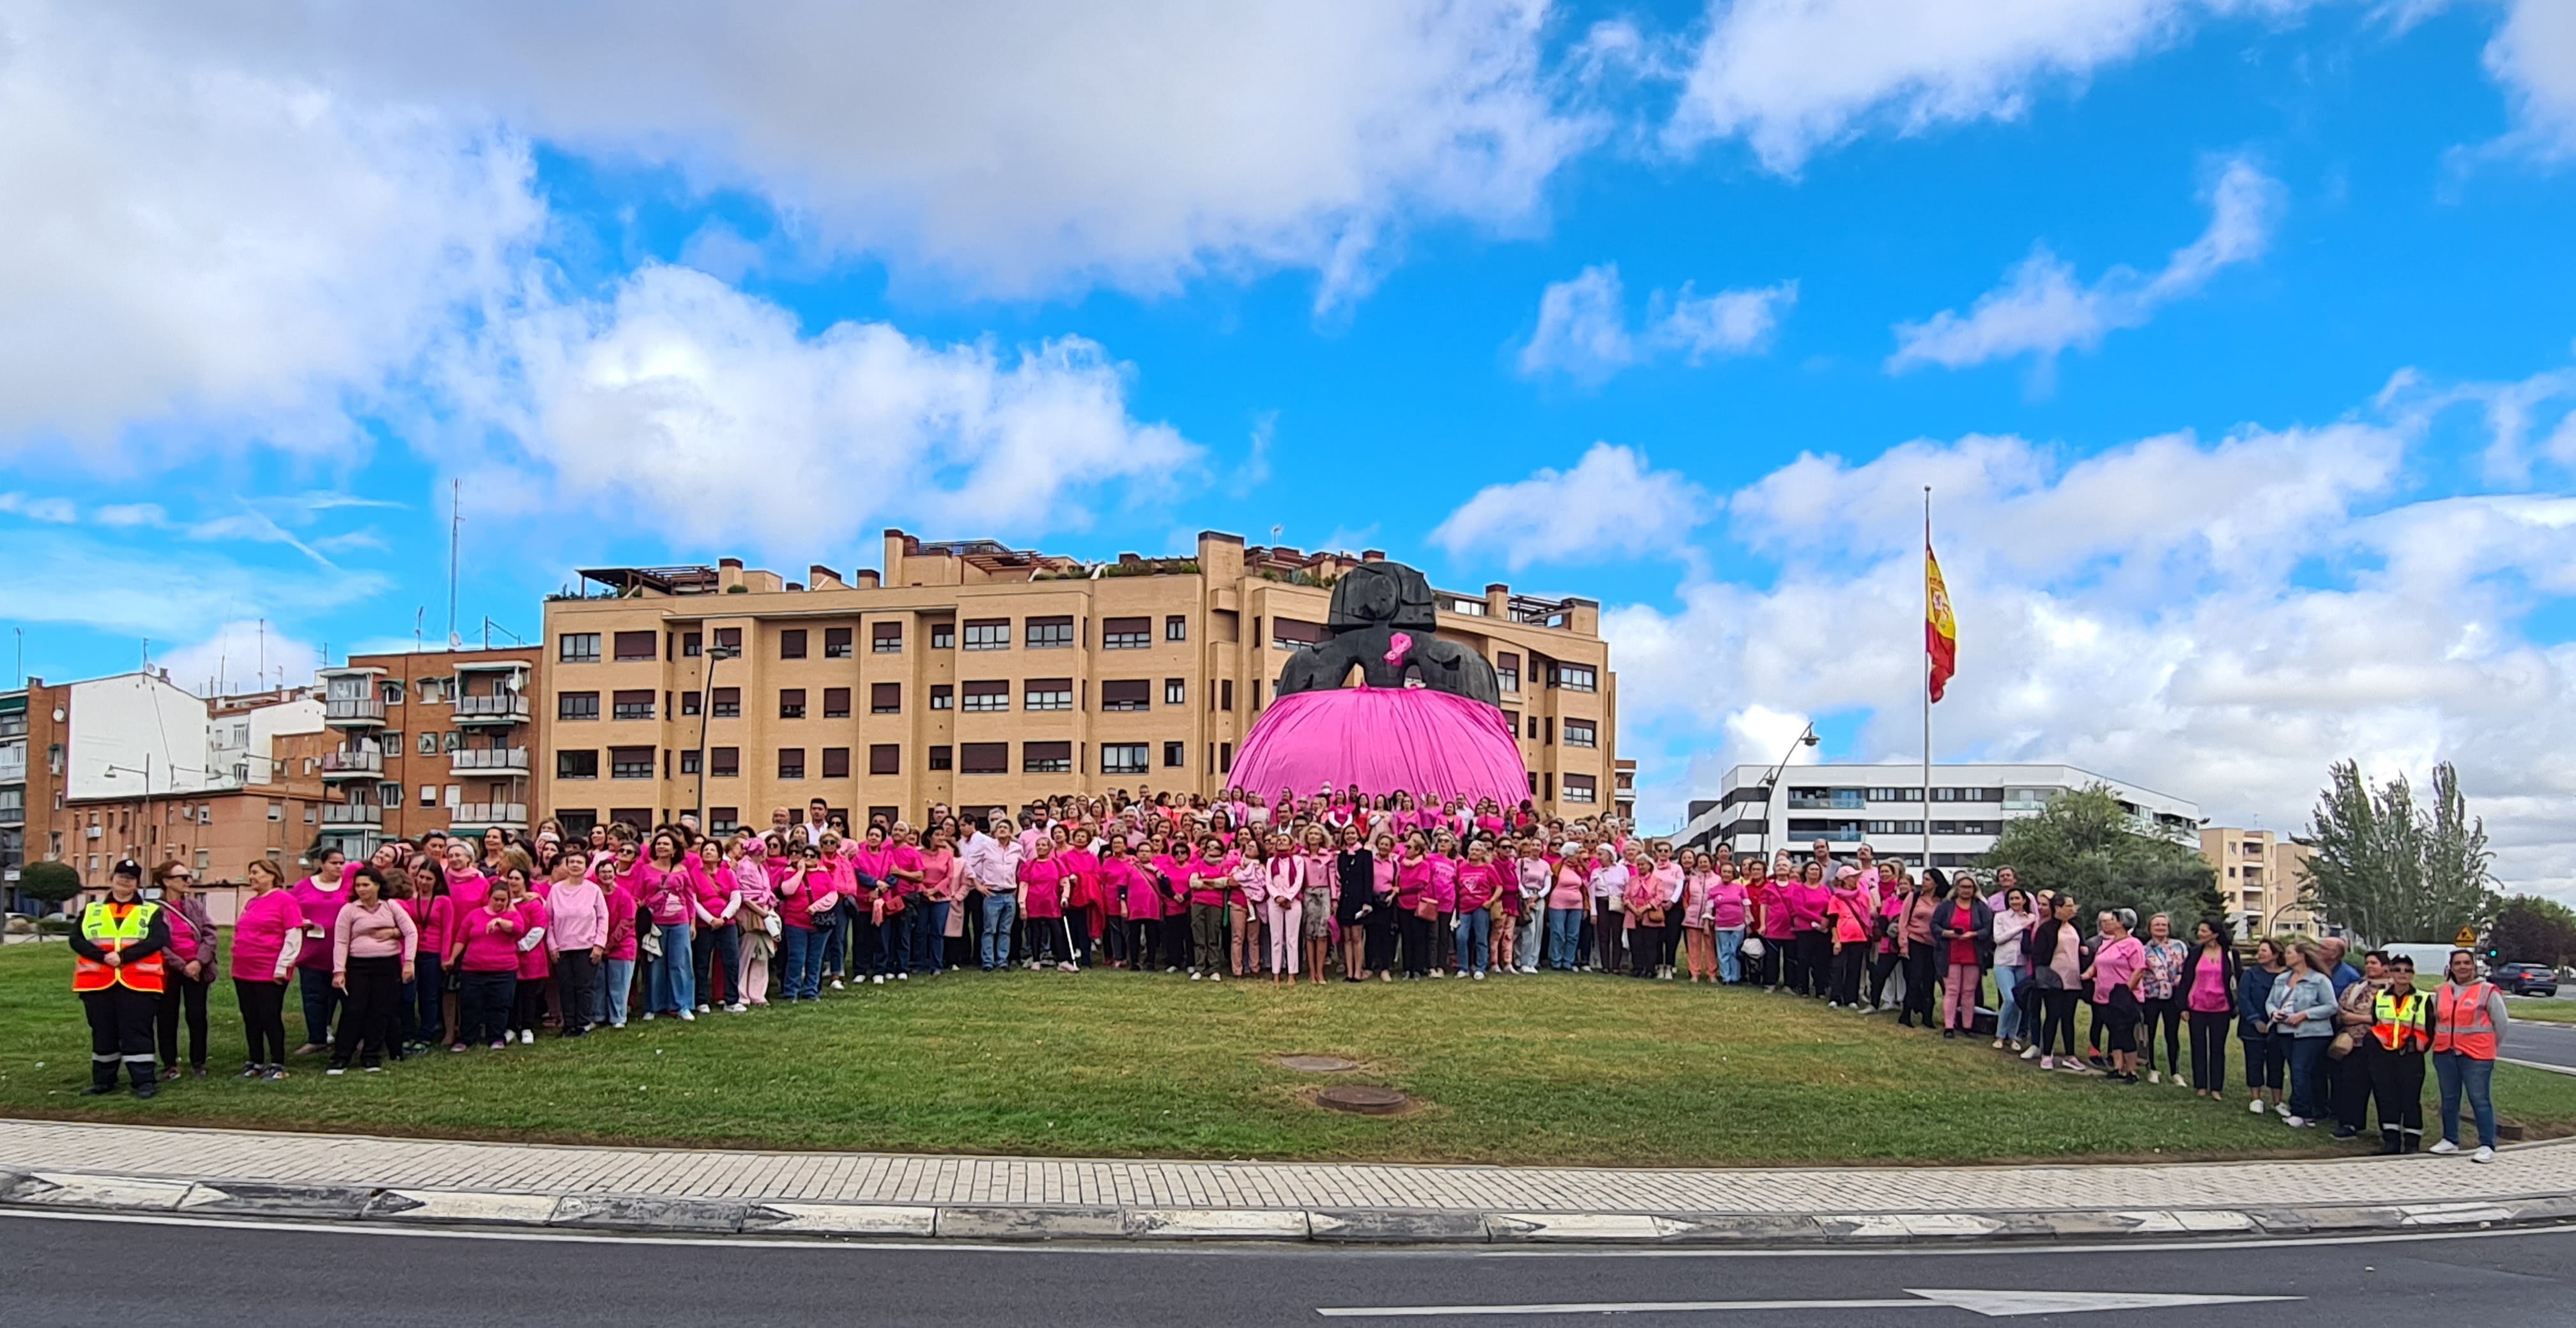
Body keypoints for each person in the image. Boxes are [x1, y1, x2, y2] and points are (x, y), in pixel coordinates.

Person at [70, 860, 171, 1098]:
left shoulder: (151, 911)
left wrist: (123, 957)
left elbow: (158, 939)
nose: (124, 880)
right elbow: (76, 939)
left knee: (137, 1032)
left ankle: (144, 1081)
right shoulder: (92, 910)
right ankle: (103, 1081)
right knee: (103, 1032)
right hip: (97, 981)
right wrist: (104, 957)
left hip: (139, 981)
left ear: (137, 884)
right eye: (120, 875)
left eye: (130, 877)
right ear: (112, 878)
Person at [328, 864, 417, 1074]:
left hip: (387, 964)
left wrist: (409, 962)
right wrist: (339, 971)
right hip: (359, 964)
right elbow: (341, 941)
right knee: (354, 1010)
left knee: (380, 1010)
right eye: (358, 885)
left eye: (366, 885)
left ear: (377, 886)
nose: (362, 889)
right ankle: (341, 1056)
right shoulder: (349, 910)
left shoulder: (391, 906)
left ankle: (371, 1055)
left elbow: (411, 932)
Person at [2428, 949, 2507, 1162]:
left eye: (2466, 963)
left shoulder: (2488, 991)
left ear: (2474, 966)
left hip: (2477, 1054)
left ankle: (2487, 1144)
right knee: (2449, 1098)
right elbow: (2438, 1021)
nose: (2462, 967)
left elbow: (2501, 1023)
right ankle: (2450, 1140)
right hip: (2445, 1052)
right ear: (2451, 967)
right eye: (2458, 963)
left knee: (2479, 1099)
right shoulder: (2442, 992)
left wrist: (2490, 1046)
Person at [229, 859, 303, 1080]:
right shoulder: (252, 902)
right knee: (251, 1016)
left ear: (271, 875)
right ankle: (255, 1060)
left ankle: (278, 1062)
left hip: (269, 969)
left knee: (269, 1015)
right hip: (243, 969)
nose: (252, 877)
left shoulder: (285, 900)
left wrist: (283, 965)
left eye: (256, 873)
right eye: (250, 873)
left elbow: (293, 934)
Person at [148, 860, 218, 1080]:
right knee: (167, 1017)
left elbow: (210, 933)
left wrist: (199, 961)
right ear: (167, 882)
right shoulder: (153, 910)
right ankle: (170, 1064)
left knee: (197, 1015)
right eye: (183, 877)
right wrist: (182, 965)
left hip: (198, 968)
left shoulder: (196, 906)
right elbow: (155, 942)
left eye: (189, 877)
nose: (188, 881)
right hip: (169, 970)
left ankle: (199, 1062)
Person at [2267, 940, 2340, 1127]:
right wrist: (2274, 1013)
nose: (2286, 956)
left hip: (2312, 1033)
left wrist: (2305, 1015)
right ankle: (2310, 1108)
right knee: (2297, 1070)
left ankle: (2303, 1113)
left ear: (2301, 956)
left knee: (2301, 1069)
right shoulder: (2282, 979)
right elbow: (2270, 1002)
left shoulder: (2319, 980)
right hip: (2286, 1030)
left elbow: (2331, 1006)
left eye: (2290, 953)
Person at [288, 845, 350, 1056]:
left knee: (346, 997)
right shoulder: (303, 887)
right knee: (314, 997)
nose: (339, 867)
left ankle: (349, 1038)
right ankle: (317, 1037)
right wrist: (300, 922)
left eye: (342, 863)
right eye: (334, 863)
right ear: (322, 864)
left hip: (344, 954)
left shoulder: (349, 887)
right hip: (312, 953)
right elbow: (289, 909)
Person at [2368, 956, 2433, 1154]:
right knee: (2386, 1097)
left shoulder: (2422, 998)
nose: (2403, 974)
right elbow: (2375, 1022)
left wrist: (2418, 1047)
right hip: (2383, 1055)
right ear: (2391, 973)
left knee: (2410, 1099)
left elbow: (2430, 1027)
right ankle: (2391, 1141)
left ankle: (2412, 1142)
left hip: (2411, 1056)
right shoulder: (2380, 997)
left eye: (2407, 970)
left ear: (2413, 974)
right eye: (2398, 970)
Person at [455, 874, 525, 1050]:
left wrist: (500, 921)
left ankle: (496, 1037)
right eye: (496, 899)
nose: (499, 903)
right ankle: (466, 1038)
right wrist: (452, 958)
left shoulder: (513, 916)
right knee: (470, 1004)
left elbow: (518, 929)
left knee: (500, 1005)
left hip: (503, 969)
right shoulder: (474, 915)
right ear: (489, 897)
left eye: (503, 900)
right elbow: (462, 938)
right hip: (473, 968)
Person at [546, 850, 608, 1036]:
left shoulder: (593, 890)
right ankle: (569, 1025)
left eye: (579, 862)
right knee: (566, 987)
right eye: (571, 862)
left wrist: (599, 944)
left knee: (584, 988)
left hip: (586, 947)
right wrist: (552, 945)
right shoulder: (556, 890)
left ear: (586, 866)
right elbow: (548, 919)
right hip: (562, 947)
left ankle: (582, 1024)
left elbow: (603, 917)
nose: (574, 865)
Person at [2083, 909, 2146, 1083]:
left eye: (2112, 920)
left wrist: (2126, 991)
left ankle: (2132, 1070)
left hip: (2122, 995)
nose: (2107, 923)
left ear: (2121, 923)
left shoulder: (2134, 944)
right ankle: (2118, 1068)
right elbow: (2097, 965)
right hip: (2103, 995)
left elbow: (2139, 969)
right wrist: (2085, 976)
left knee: (2125, 1032)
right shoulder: (2107, 944)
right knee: (2114, 1032)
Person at [2180, 919, 2238, 1100]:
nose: (2200, 934)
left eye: (2204, 931)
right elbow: (2186, 979)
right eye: (2200, 931)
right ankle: (2201, 1085)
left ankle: (2216, 1087)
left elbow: (2238, 979)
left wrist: (2236, 1006)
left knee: (2217, 1047)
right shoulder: (2195, 953)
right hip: (2197, 1005)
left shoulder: (2230, 954)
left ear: (2215, 934)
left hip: (2222, 1007)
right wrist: (2183, 1006)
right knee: (2198, 1045)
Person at [2025, 894, 2085, 1071]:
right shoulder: (2047, 929)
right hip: (2054, 979)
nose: (2072, 909)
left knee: (2069, 1018)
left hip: (2073, 979)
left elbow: (2080, 946)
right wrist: (2043, 976)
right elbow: (2038, 956)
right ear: (2057, 908)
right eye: (2068, 906)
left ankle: (2070, 1055)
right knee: (2052, 1016)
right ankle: (2046, 1054)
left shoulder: (2075, 927)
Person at [1930, 872, 1993, 1039]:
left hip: (1972, 952)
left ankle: (1967, 1026)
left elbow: (1988, 928)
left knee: (1969, 991)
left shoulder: (1981, 907)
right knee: (1952, 990)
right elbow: (1934, 925)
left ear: (1974, 889)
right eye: (1963, 887)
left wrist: (1973, 934)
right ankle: (1949, 1026)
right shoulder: (1946, 906)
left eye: (1969, 887)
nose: (1966, 890)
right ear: (1957, 888)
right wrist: (1947, 933)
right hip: (1950, 952)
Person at [2237, 938, 2288, 1115]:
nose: (2260, 954)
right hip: (2253, 1026)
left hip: (2280, 1026)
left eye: (2264, 951)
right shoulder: (2251, 974)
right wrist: (2255, 1020)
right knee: (2254, 1061)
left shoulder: (2287, 976)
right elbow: (2243, 998)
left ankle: (2277, 1100)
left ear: (2275, 954)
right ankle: (2256, 1098)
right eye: (2259, 950)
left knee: (2276, 1064)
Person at [2137, 914, 2188, 1085]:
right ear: (2150, 928)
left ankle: (2175, 1071)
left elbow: (2187, 968)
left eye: (2163, 924)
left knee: (2172, 1034)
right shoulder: (2144, 949)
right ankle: (2152, 1068)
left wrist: (2182, 978)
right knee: (2149, 1033)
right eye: (2156, 924)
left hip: (2173, 996)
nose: (2160, 927)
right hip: (2152, 995)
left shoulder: (2179, 946)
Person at [1989, 888, 2034, 1051]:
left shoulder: (2031, 918)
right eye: (2012, 899)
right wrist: (2020, 927)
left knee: (2019, 1001)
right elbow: (1999, 938)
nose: (2015, 901)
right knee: (2009, 999)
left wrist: (2027, 924)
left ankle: (2013, 1035)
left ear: (2024, 900)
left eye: (2018, 898)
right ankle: (2000, 1035)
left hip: (2022, 963)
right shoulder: (2000, 917)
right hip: (2003, 962)